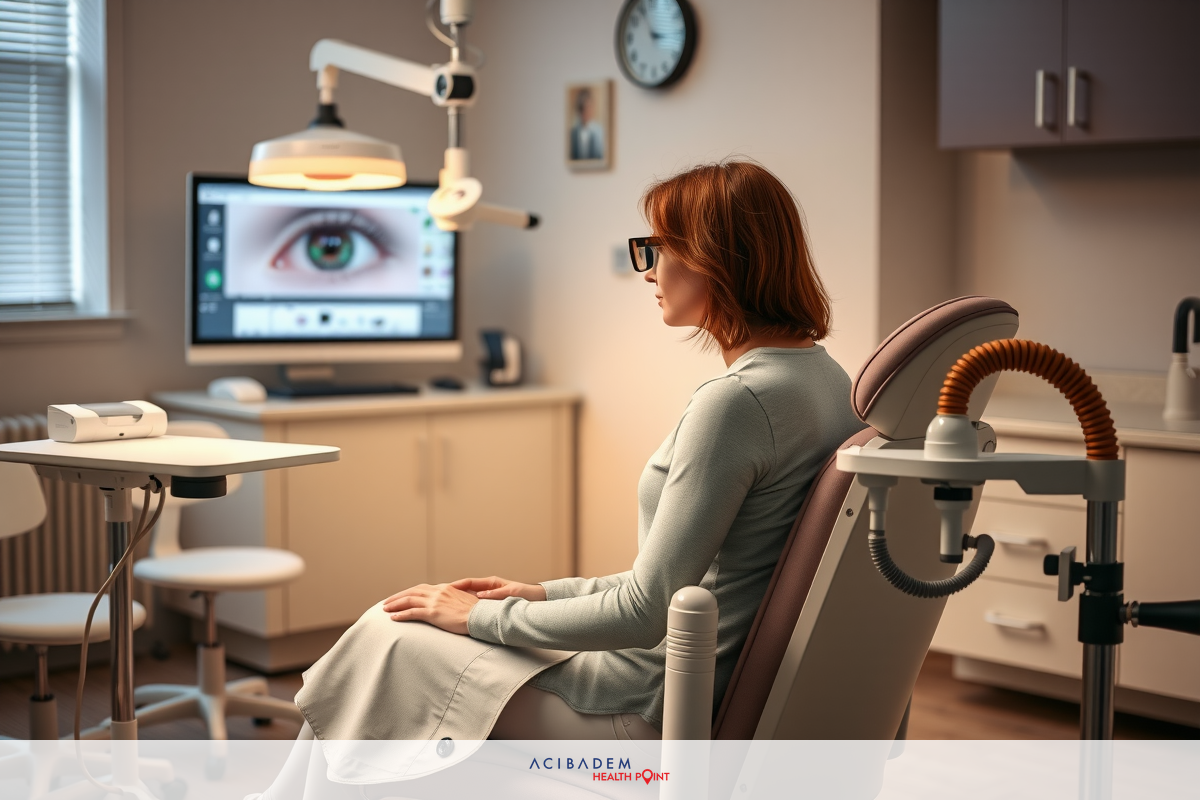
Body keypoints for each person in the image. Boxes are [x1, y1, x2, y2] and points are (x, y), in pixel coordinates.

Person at [253, 160, 866, 795]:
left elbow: (647, 612)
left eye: (658, 249)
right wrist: (543, 594)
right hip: (701, 679)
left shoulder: (736, 405)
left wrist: (482, 618)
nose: (649, 271)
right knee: (397, 637)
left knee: (389, 631)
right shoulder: (827, 382)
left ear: (715, 258)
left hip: (653, 710)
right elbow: (691, 581)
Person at [569, 86, 605, 161]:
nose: (586, 111)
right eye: (583, 108)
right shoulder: (573, 133)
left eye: (589, 107)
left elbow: (600, 156)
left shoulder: (599, 131)